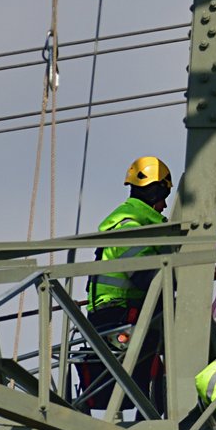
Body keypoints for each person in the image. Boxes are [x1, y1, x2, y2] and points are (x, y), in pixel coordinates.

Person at [82, 157, 172, 410]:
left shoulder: (130, 224)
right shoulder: (129, 227)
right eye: (164, 196)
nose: (164, 206)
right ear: (156, 191)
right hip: (120, 316)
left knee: (144, 390)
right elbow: (147, 276)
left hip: (115, 315)